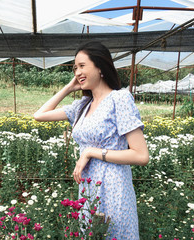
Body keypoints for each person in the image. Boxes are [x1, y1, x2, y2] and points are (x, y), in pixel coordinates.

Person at [34, 41, 149, 239]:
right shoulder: (82, 106)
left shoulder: (119, 99)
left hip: (114, 186)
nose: (77, 72)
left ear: (100, 67)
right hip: (88, 187)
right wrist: (69, 88)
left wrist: (90, 152)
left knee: (115, 234)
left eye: (82, 66)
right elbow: (39, 115)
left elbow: (141, 155)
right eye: (74, 68)